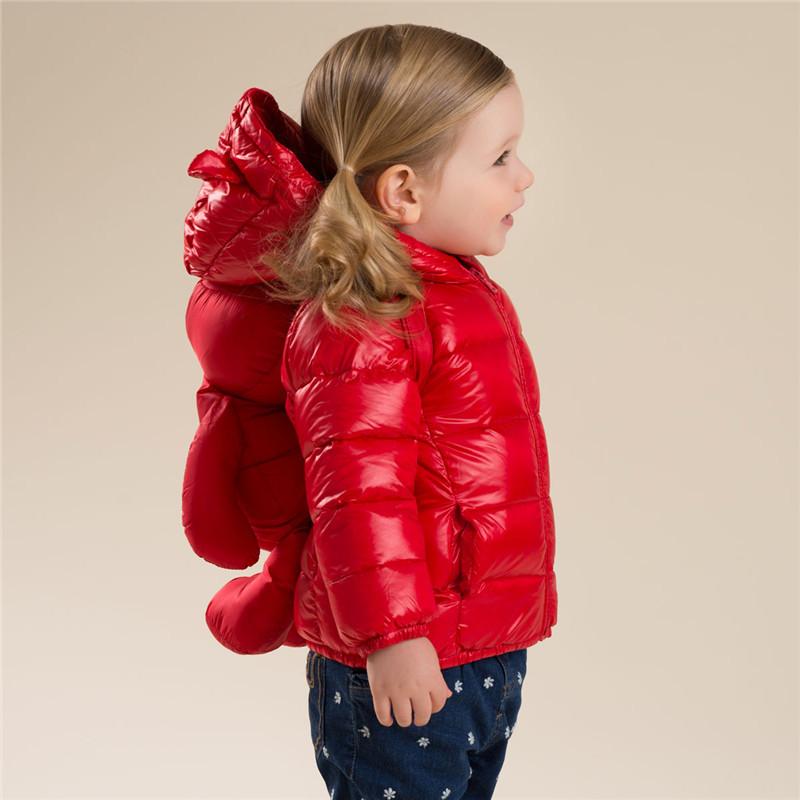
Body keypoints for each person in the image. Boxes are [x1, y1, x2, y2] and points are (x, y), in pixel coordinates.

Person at [181, 22, 558, 800]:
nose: (525, 176)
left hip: (478, 646)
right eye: (500, 158)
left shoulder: (452, 287)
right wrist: (394, 637)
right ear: (403, 192)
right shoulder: (362, 319)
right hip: (402, 659)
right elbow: (357, 495)